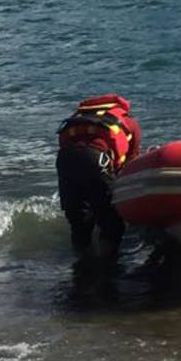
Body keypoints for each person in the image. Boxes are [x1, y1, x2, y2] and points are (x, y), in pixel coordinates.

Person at [56, 94, 141, 257]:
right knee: (112, 224)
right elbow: (130, 165)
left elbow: (64, 144)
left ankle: (81, 263)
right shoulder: (130, 123)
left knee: (78, 221)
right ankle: (108, 266)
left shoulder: (78, 119)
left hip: (65, 159)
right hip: (95, 159)